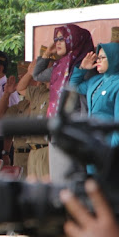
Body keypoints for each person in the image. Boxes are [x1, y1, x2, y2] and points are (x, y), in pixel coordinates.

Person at [33, 24, 94, 183]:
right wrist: (47, 53)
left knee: (71, 183)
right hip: (55, 129)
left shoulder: (85, 66)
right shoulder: (59, 66)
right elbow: (37, 75)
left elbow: (82, 98)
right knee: (58, 183)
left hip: (74, 131)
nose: (57, 42)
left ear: (74, 40)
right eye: (56, 39)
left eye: (62, 38)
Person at [70, 43, 119, 147]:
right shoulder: (96, 81)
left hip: (109, 144)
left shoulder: (117, 84)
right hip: (93, 142)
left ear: (114, 58)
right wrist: (82, 68)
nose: (98, 61)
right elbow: (73, 87)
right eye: (98, 58)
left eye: (102, 58)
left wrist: (113, 152)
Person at [15, 58, 51, 179]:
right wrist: (29, 73)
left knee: (46, 191)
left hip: (46, 148)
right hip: (33, 149)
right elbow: (20, 88)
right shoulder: (37, 92)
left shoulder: (55, 92)